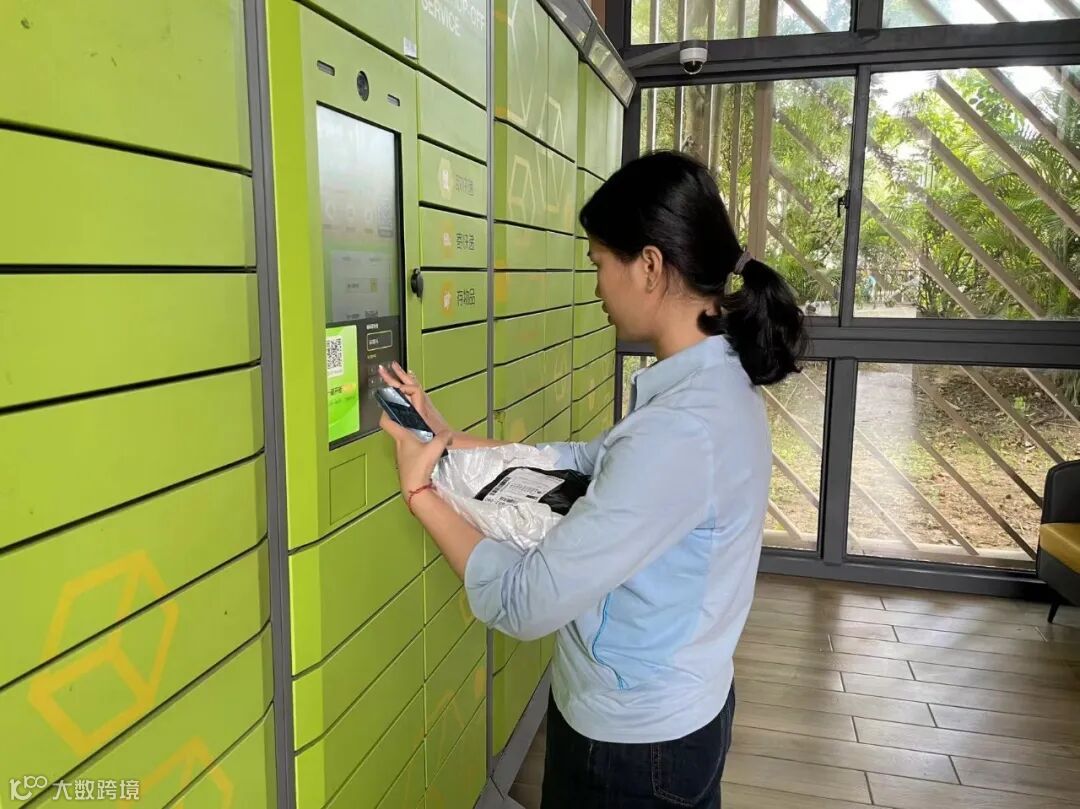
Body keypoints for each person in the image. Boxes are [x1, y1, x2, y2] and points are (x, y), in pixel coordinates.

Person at [378, 150, 808, 808]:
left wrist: (422, 495)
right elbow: (588, 459)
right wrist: (445, 437)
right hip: (679, 713)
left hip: (632, 751)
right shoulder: (713, 388)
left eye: (599, 263)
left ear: (650, 266)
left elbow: (526, 602)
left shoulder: (678, 432)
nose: (597, 287)